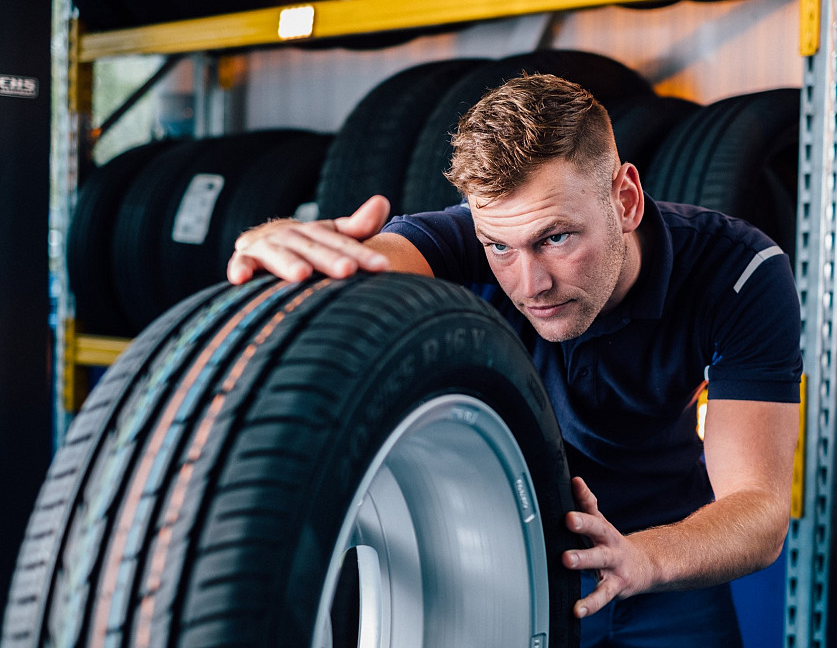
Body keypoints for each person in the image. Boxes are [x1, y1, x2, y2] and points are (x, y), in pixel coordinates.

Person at [228, 73, 802, 647]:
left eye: (556, 238)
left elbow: (759, 508)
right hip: (511, 563)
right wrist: (283, 247)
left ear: (625, 199)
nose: (531, 286)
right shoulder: (466, 239)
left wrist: (643, 559)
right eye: (500, 246)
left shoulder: (739, 272)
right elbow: (351, 277)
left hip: (666, 560)